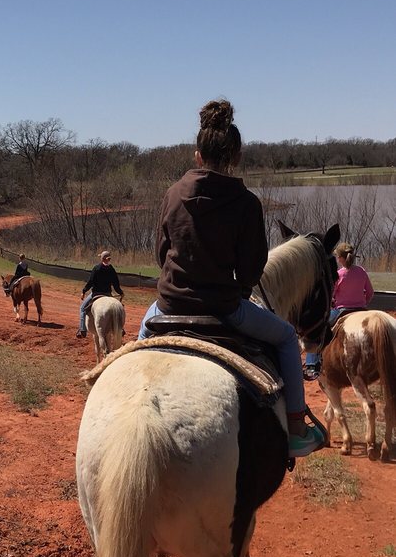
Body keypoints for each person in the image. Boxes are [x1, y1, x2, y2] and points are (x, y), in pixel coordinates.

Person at [138, 99, 324, 458]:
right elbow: (252, 271)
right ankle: (296, 426)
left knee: (134, 351)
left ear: (197, 155)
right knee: (287, 338)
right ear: (236, 157)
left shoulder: (172, 194)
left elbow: (162, 255)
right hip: (224, 309)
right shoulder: (246, 203)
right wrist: (235, 286)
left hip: (168, 305)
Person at [303, 242, 374, 379]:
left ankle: (312, 365)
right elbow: (370, 292)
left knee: (317, 330)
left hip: (342, 311)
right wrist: (363, 303)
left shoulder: (339, 274)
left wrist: (332, 301)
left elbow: (332, 294)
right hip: (361, 310)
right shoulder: (362, 271)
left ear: (341, 258)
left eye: (337, 256)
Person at [76, 251, 124, 337]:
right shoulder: (111, 269)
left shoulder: (97, 268)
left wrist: (84, 291)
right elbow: (116, 284)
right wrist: (121, 292)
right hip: (107, 294)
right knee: (118, 309)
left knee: (82, 308)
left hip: (96, 294)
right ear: (109, 259)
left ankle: (82, 329)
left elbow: (91, 282)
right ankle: (121, 328)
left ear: (101, 259)